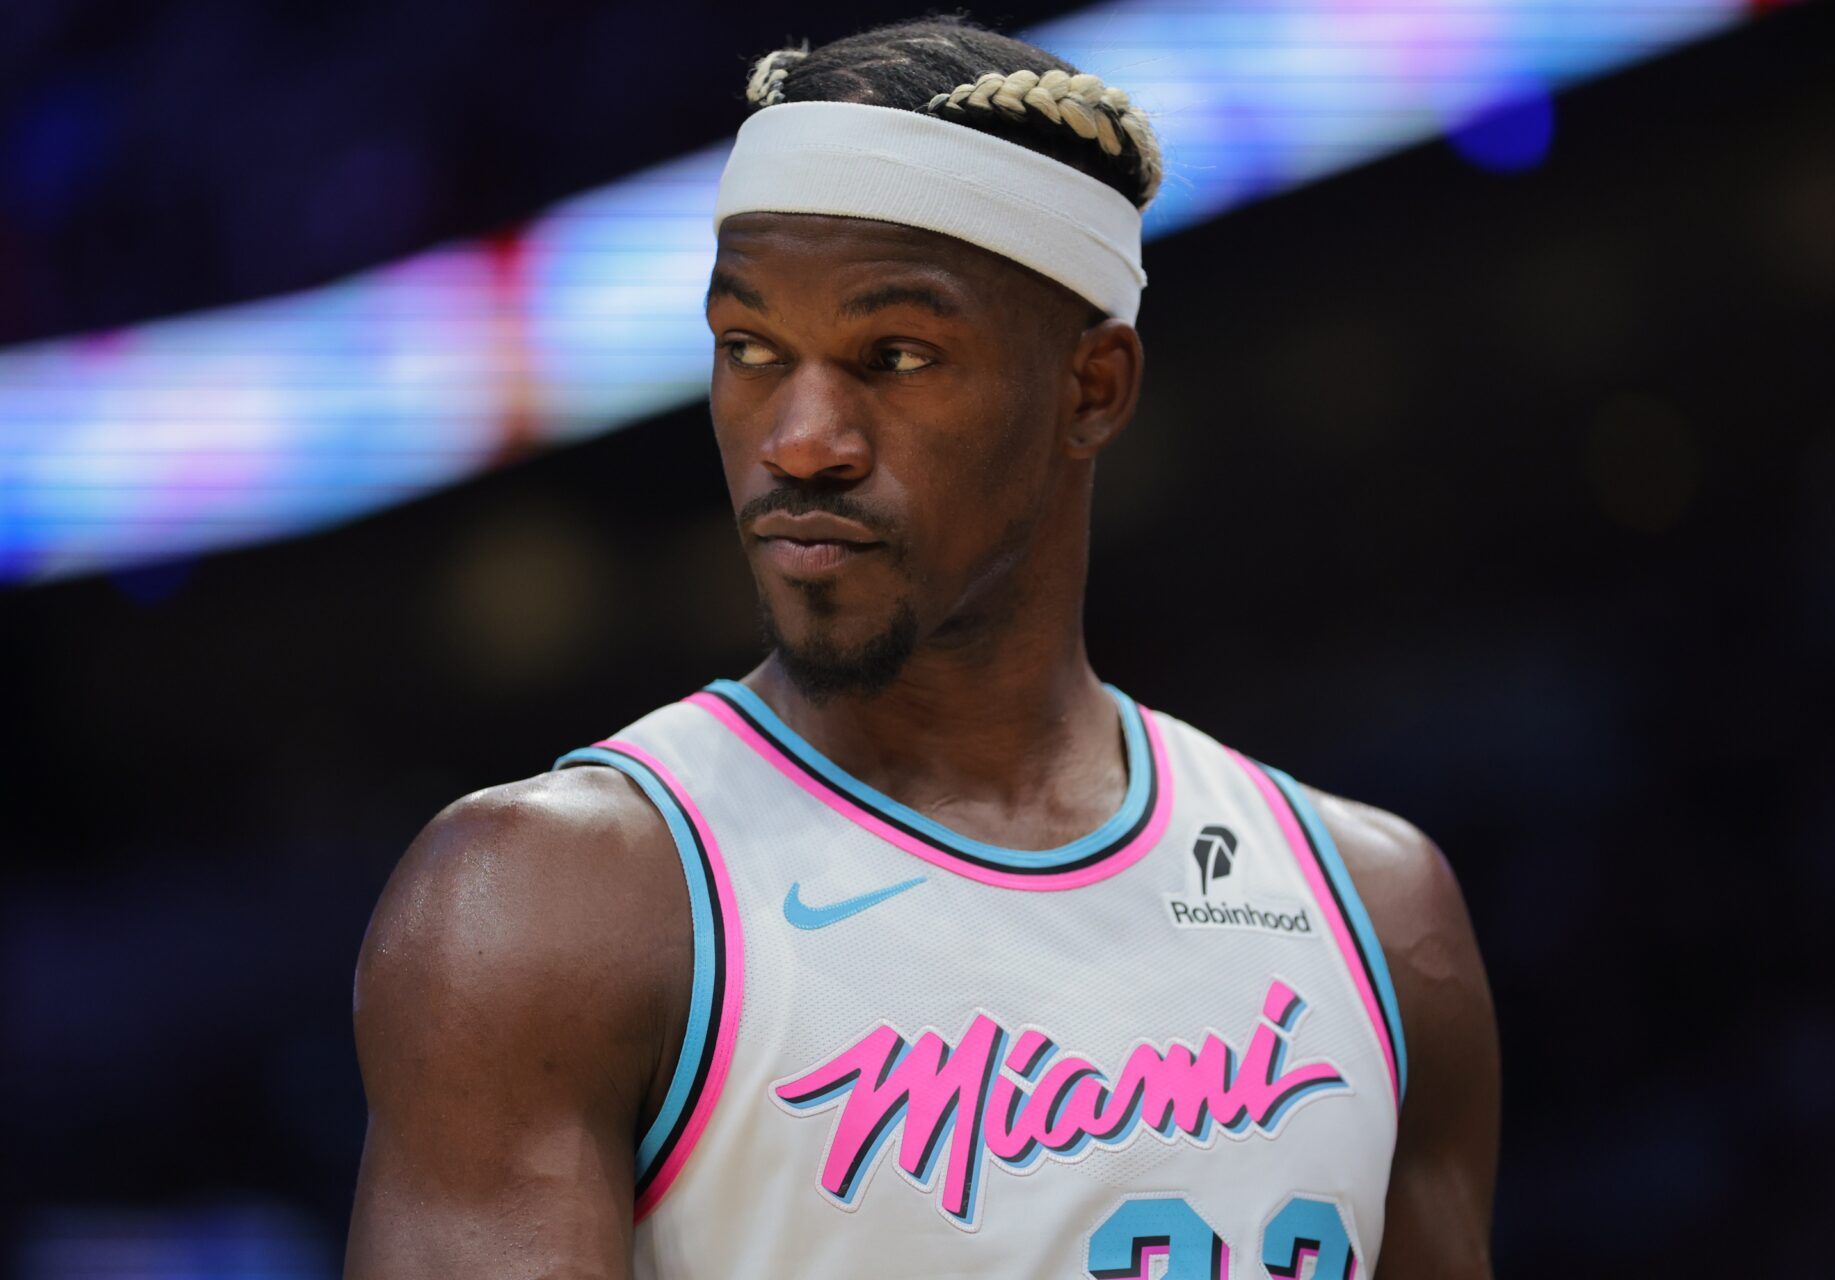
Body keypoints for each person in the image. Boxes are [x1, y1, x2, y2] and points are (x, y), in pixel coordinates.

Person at [345, 17, 1499, 1278]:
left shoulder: (1375, 914)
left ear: (1092, 388)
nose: (801, 437)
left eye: (895, 355)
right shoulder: (547, 907)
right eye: (750, 350)